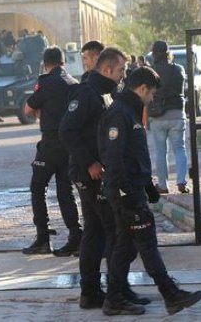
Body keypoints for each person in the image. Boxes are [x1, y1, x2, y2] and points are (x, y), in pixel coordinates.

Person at [100, 66, 201, 316]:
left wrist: (149, 189)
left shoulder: (130, 112)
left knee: (126, 247)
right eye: (151, 94)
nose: (152, 99)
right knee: (147, 244)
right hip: (126, 194)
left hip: (133, 190)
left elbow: (136, 157)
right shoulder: (119, 114)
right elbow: (113, 158)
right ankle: (170, 293)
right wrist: (127, 193)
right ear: (143, 89)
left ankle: (114, 298)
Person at [60, 47, 149, 310]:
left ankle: (95, 292)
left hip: (100, 172)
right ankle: (114, 294)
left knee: (95, 231)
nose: (123, 75)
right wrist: (90, 162)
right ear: (107, 69)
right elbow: (66, 131)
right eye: (121, 70)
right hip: (89, 173)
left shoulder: (107, 93)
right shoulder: (86, 93)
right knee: (114, 231)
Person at [21, 46, 81, 256]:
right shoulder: (74, 84)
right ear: (63, 62)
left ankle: (43, 238)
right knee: (66, 192)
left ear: (46, 64)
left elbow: (28, 110)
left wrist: (43, 112)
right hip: (70, 144)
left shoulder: (46, 83)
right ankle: (76, 237)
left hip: (50, 144)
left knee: (38, 187)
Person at [147, 40, 189, 194]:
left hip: (157, 115)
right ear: (168, 53)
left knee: (160, 151)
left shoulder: (150, 72)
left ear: (154, 54)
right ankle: (182, 182)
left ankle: (163, 185)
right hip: (177, 113)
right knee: (179, 148)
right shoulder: (178, 69)